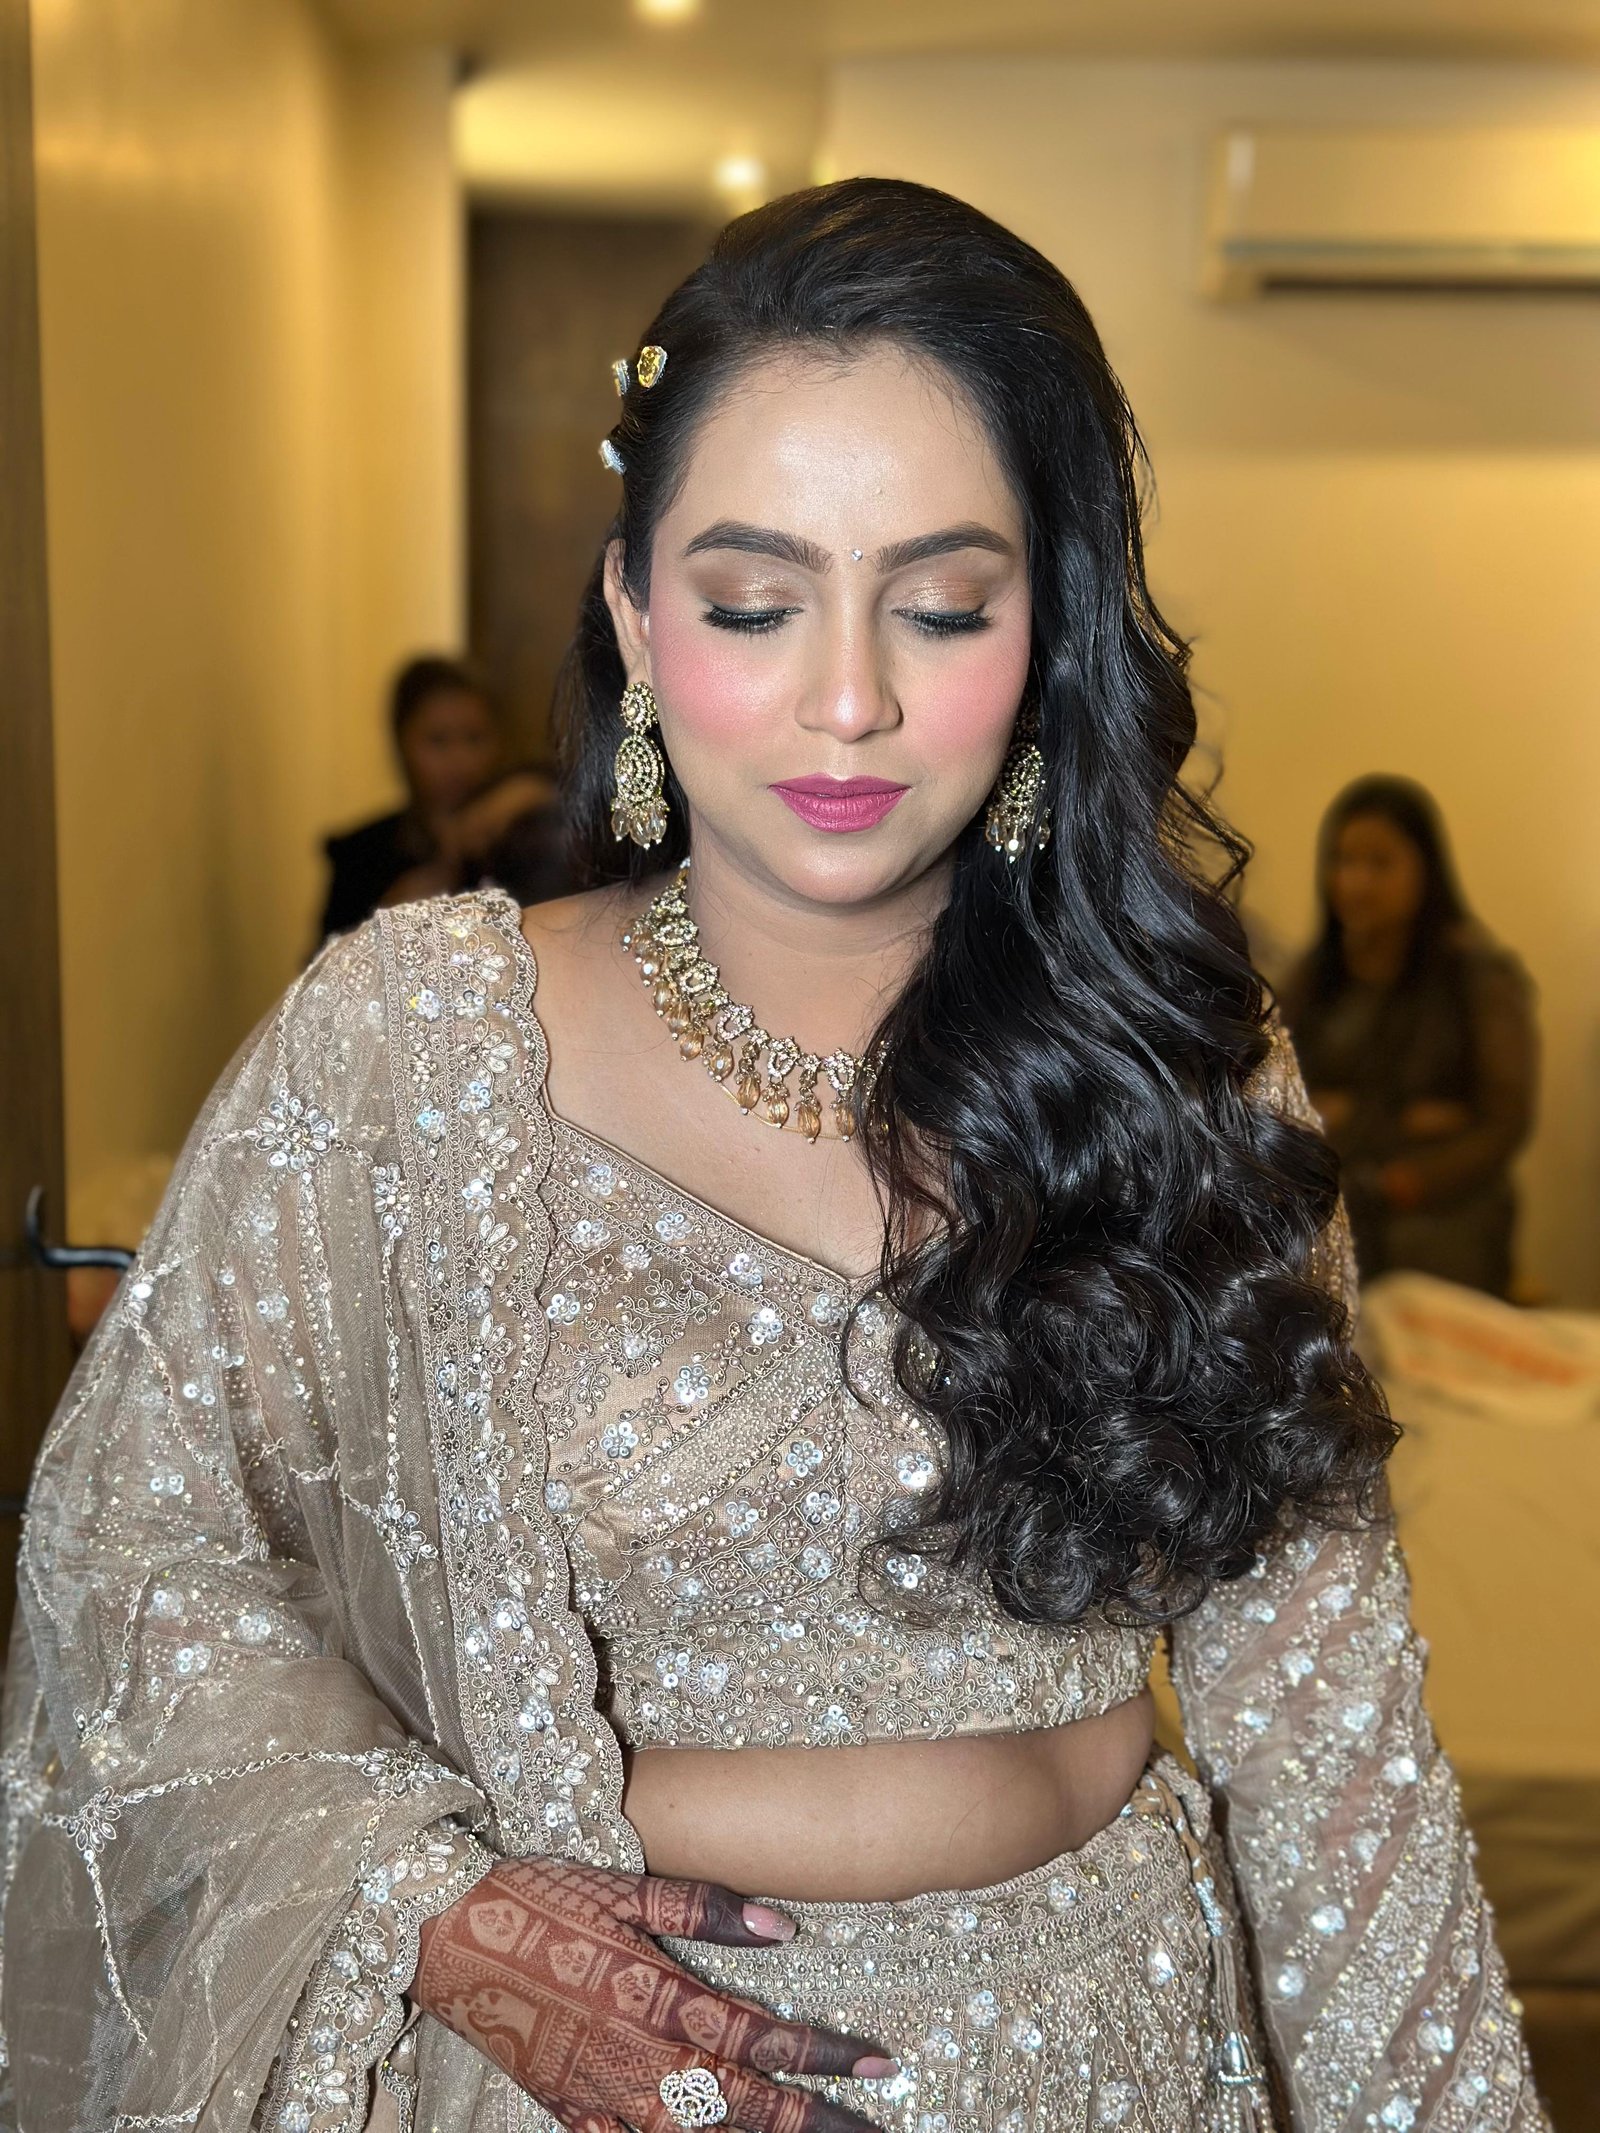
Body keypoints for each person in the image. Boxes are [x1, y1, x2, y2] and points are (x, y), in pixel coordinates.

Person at [0, 181, 1548, 2133]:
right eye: (752, 601)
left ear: (1048, 628)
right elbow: (132, 1558)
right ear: (636, 617)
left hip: (1120, 2058)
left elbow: (1340, 1759)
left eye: (940, 604)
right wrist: (429, 1907)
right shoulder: (417, 1044)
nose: (848, 700)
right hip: (590, 2079)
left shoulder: (1182, 1072)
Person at [1281, 776, 1538, 1297]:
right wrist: (1400, 1120)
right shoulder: (1316, 975)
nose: (1356, 882)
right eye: (1343, 861)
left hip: (1441, 1221)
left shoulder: (1476, 977)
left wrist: (1406, 1180)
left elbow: (1504, 1121)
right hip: (1330, 1208)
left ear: (1427, 870)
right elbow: (1277, 1093)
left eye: (1379, 863)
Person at [318, 654, 503, 938]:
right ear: (402, 743)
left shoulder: (515, 839)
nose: (460, 761)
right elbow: (325, 961)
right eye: (438, 741)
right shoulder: (362, 855)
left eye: (474, 738)